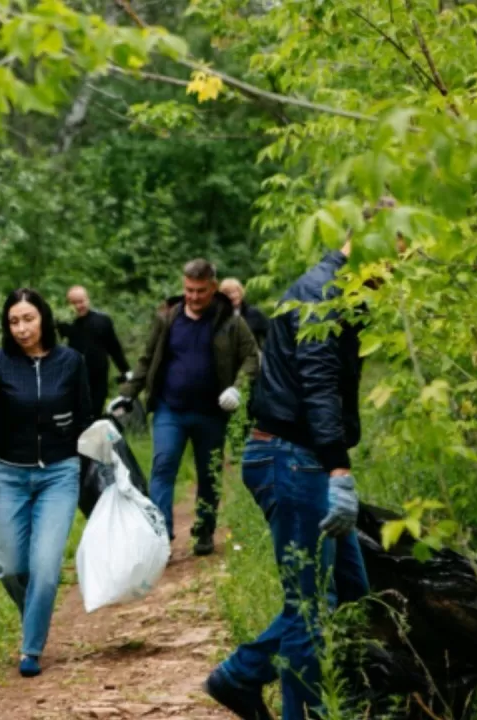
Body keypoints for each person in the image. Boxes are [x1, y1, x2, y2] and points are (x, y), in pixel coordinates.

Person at [205, 233, 387, 720]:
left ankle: (241, 675)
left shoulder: (344, 292)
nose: (395, 278)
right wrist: (339, 468)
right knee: (311, 608)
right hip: (293, 458)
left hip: (301, 456)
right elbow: (320, 384)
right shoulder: (321, 294)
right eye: (395, 261)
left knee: (348, 592)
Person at [0, 288, 93, 679]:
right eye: (14, 321)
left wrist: (102, 475)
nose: (22, 328)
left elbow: (85, 422)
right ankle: (37, 613)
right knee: (10, 567)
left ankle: (31, 647)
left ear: (43, 318)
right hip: (8, 476)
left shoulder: (71, 362)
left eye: (28, 319)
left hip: (59, 474)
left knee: (44, 568)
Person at [111, 259, 259, 556]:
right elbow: (147, 358)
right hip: (170, 409)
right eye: (189, 289)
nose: (193, 296)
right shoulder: (168, 317)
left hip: (211, 413)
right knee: (163, 466)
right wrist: (127, 394)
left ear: (213, 287)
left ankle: (204, 529)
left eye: (200, 290)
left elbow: (252, 357)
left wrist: (237, 387)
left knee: (209, 473)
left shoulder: (230, 321)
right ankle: (160, 536)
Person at [57, 285, 131, 415]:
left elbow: (114, 348)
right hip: (75, 377)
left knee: (95, 412)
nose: (79, 306)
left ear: (88, 300)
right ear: (68, 304)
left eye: (81, 301)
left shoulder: (102, 321)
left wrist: (125, 371)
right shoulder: (65, 324)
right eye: (74, 303)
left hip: (98, 377)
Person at [220, 278, 270, 348]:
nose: (232, 296)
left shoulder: (254, 313)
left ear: (240, 292)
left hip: (253, 356)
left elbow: (271, 335)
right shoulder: (217, 317)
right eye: (227, 293)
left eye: (234, 292)